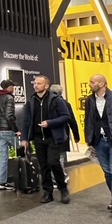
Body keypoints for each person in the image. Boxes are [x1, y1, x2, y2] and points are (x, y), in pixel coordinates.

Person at [22, 75, 70, 204]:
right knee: (43, 166)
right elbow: (26, 121)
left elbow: (66, 116)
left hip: (53, 137)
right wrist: (25, 138)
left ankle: (63, 189)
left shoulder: (56, 100)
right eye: (35, 83)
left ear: (46, 86)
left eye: (39, 83)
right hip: (38, 138)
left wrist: (50, 123)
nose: (35, 85)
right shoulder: (31, 101)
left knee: (53, 162)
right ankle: (48, 192)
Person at [84, 74, 112, 217]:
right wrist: (89, 139)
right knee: (107, 172)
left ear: (102, 84)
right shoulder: (90, 100)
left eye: (92, 82)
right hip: (99, 141)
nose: (90, 84)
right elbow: (88, 120)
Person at [49, 84, 80, 184]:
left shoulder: (46, 103)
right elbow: (71, 120)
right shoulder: (65, 104)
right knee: (60, 157)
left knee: (52, 157)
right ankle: (59, 179)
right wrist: (76, 135)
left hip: (49, 133)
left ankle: (54, 178)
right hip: (62, 133)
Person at [0, 79, 20, 190]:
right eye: (12, 86)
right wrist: (16, 130)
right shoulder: (9, 98)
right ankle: (24, 179)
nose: (13, 88)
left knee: (3, 157)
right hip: (8, 130)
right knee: (22, 152)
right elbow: (9, 116)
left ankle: (1, 182)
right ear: (9, 87)